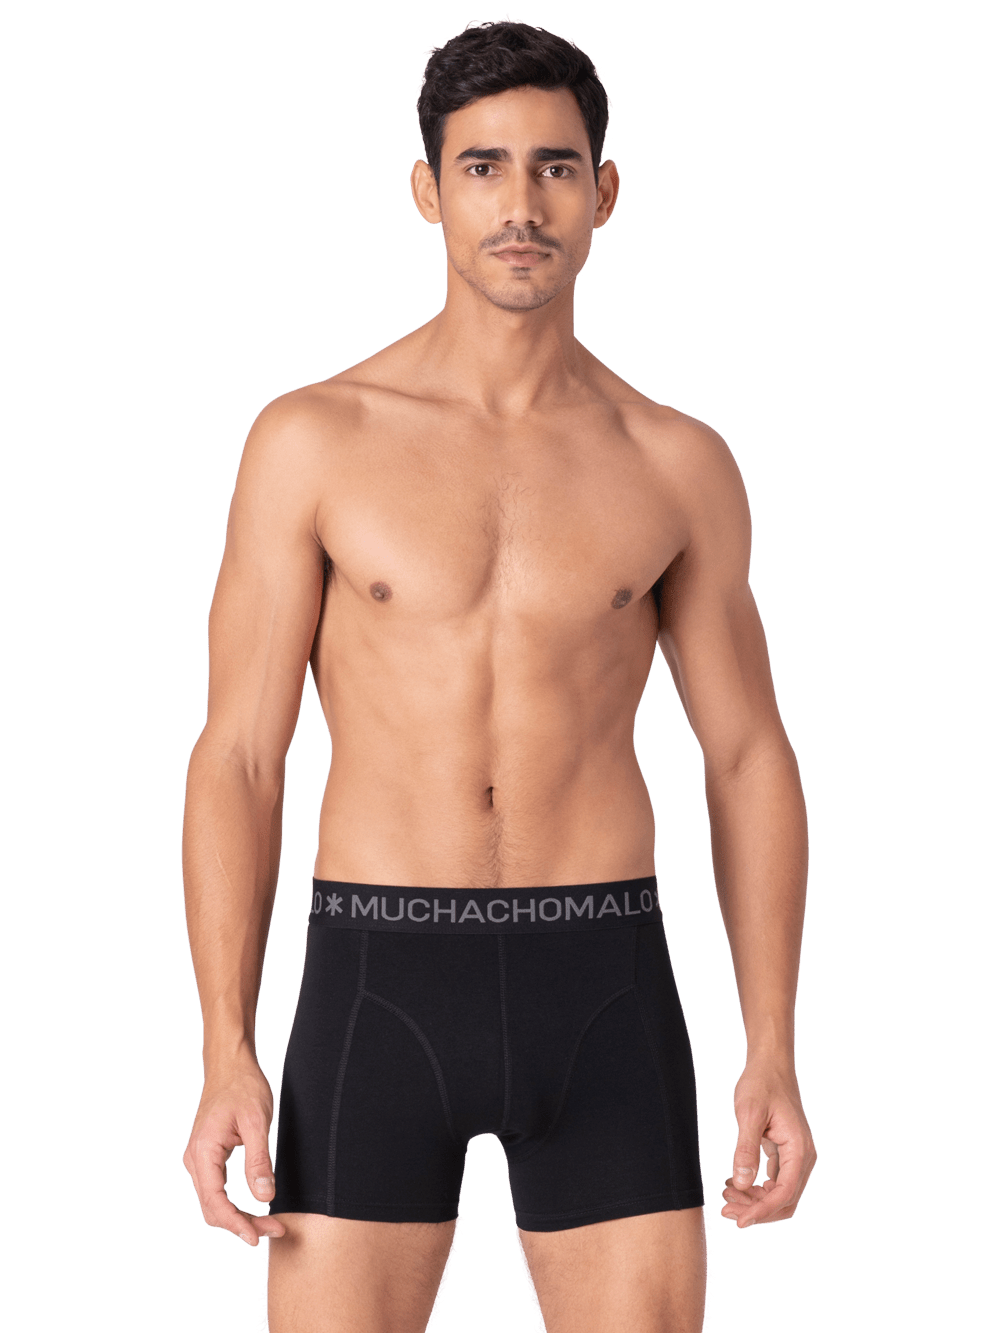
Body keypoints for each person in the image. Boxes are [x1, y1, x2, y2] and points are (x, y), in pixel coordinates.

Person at [181, 18, 817, 1333]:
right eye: (482, 167)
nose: (519, 204)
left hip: (605, 979)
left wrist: (773, 1045)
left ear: (604, 191)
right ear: (428, 189)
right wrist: (223, 1049)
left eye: (553, 167)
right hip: (377, 974)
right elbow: (239, 755)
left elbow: (749, 753)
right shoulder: (314, 439)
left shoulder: (675, 461)